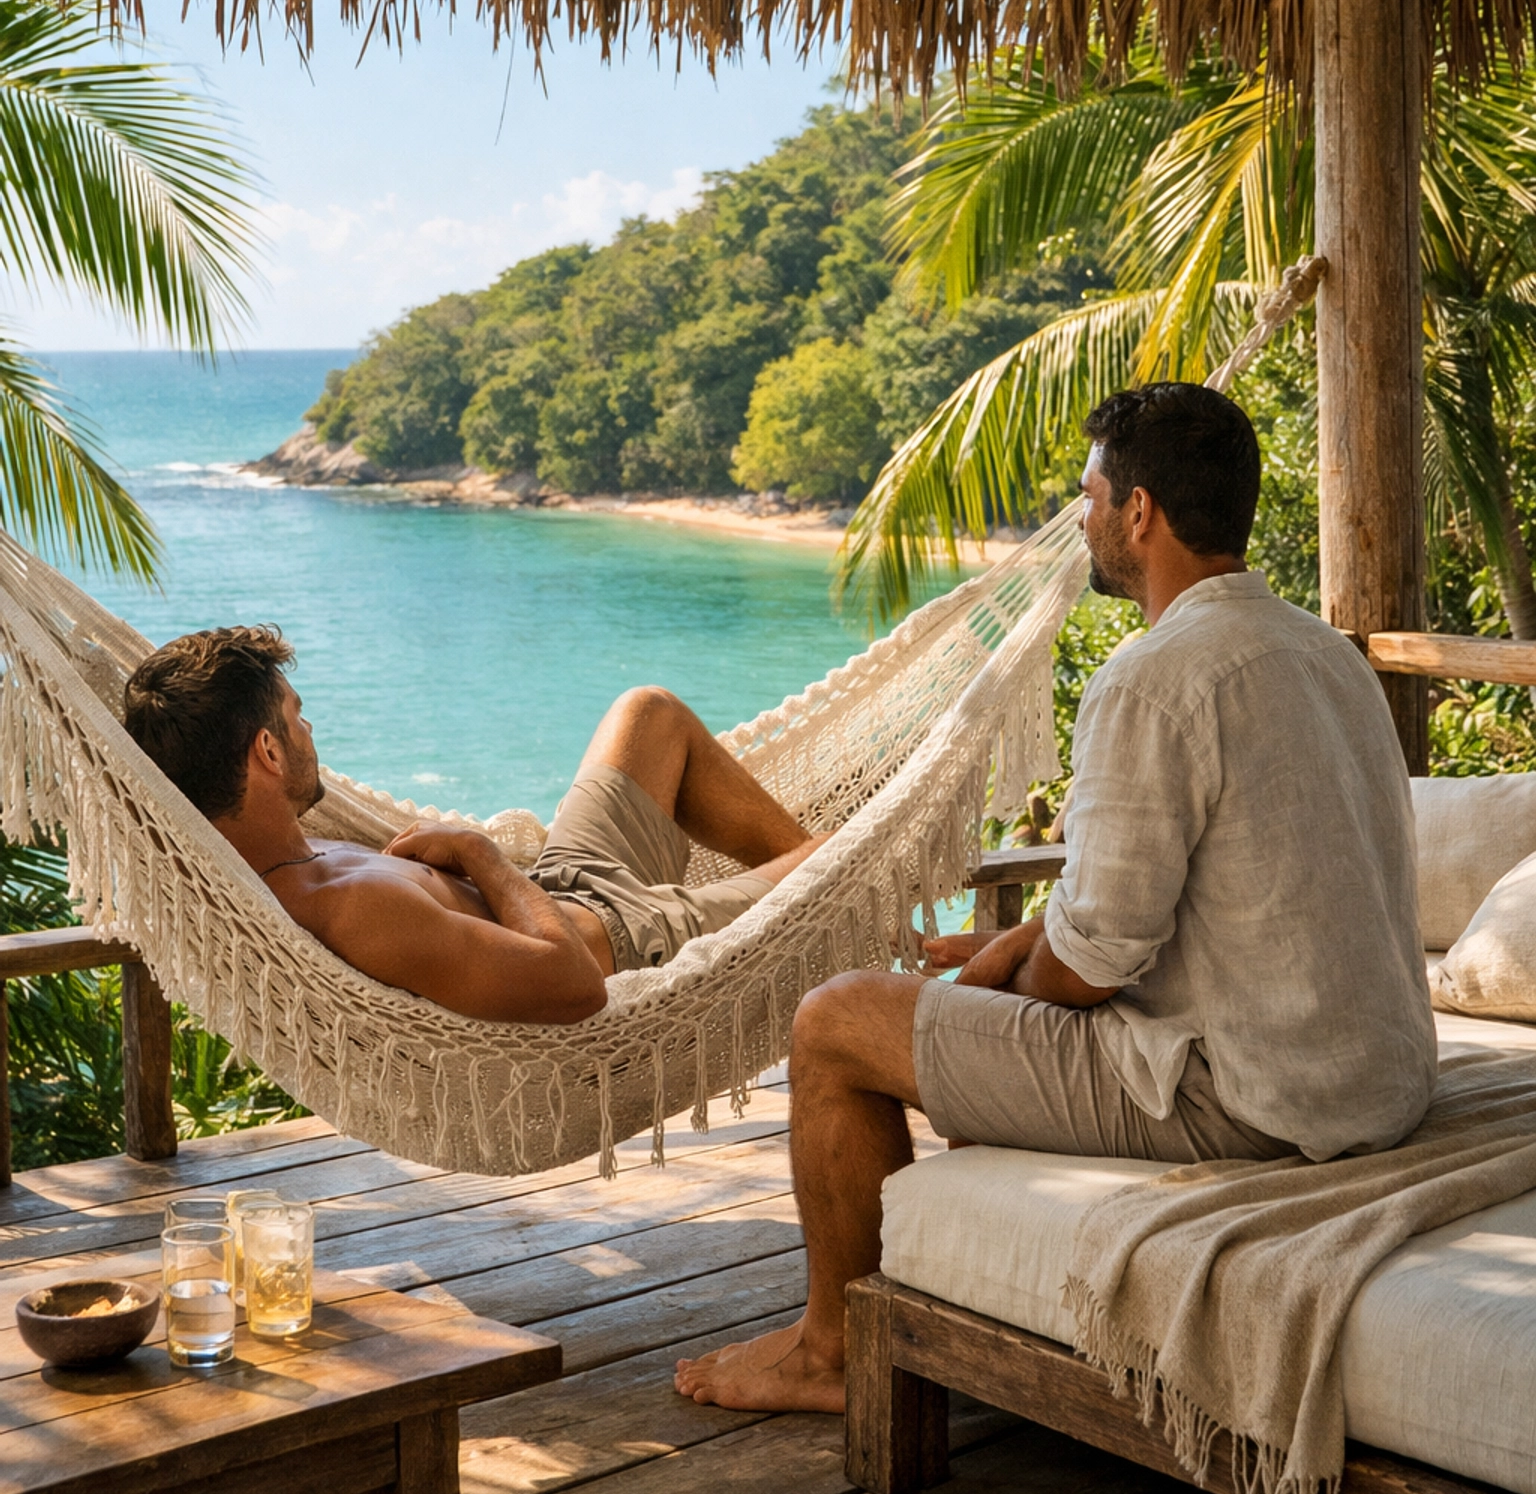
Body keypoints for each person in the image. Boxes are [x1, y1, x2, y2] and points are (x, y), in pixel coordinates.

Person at [675, 381, 1438, 1415]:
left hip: (1252, 1097)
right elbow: (1215, 892)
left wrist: (1012, 964)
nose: (1079, 518)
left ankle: (829, 1353)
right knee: (967, 1006)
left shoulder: (1155, 677)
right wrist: (1027, 944)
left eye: (1087, 495)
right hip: (1377, 1082)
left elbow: (1086, 971)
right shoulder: (1329, 659)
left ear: (1139, 512)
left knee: (835, 1021)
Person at [123, 631, 821, 1024]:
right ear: (268, 752)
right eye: (296, 714)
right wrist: (482, 855)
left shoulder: (292, 857)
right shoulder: (349, 905)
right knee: (840, 865)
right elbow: (575, 988)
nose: (309, 730)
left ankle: (842, 939)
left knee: (650, 713)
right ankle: (851, 940)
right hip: (628, 938)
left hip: (560, 886)